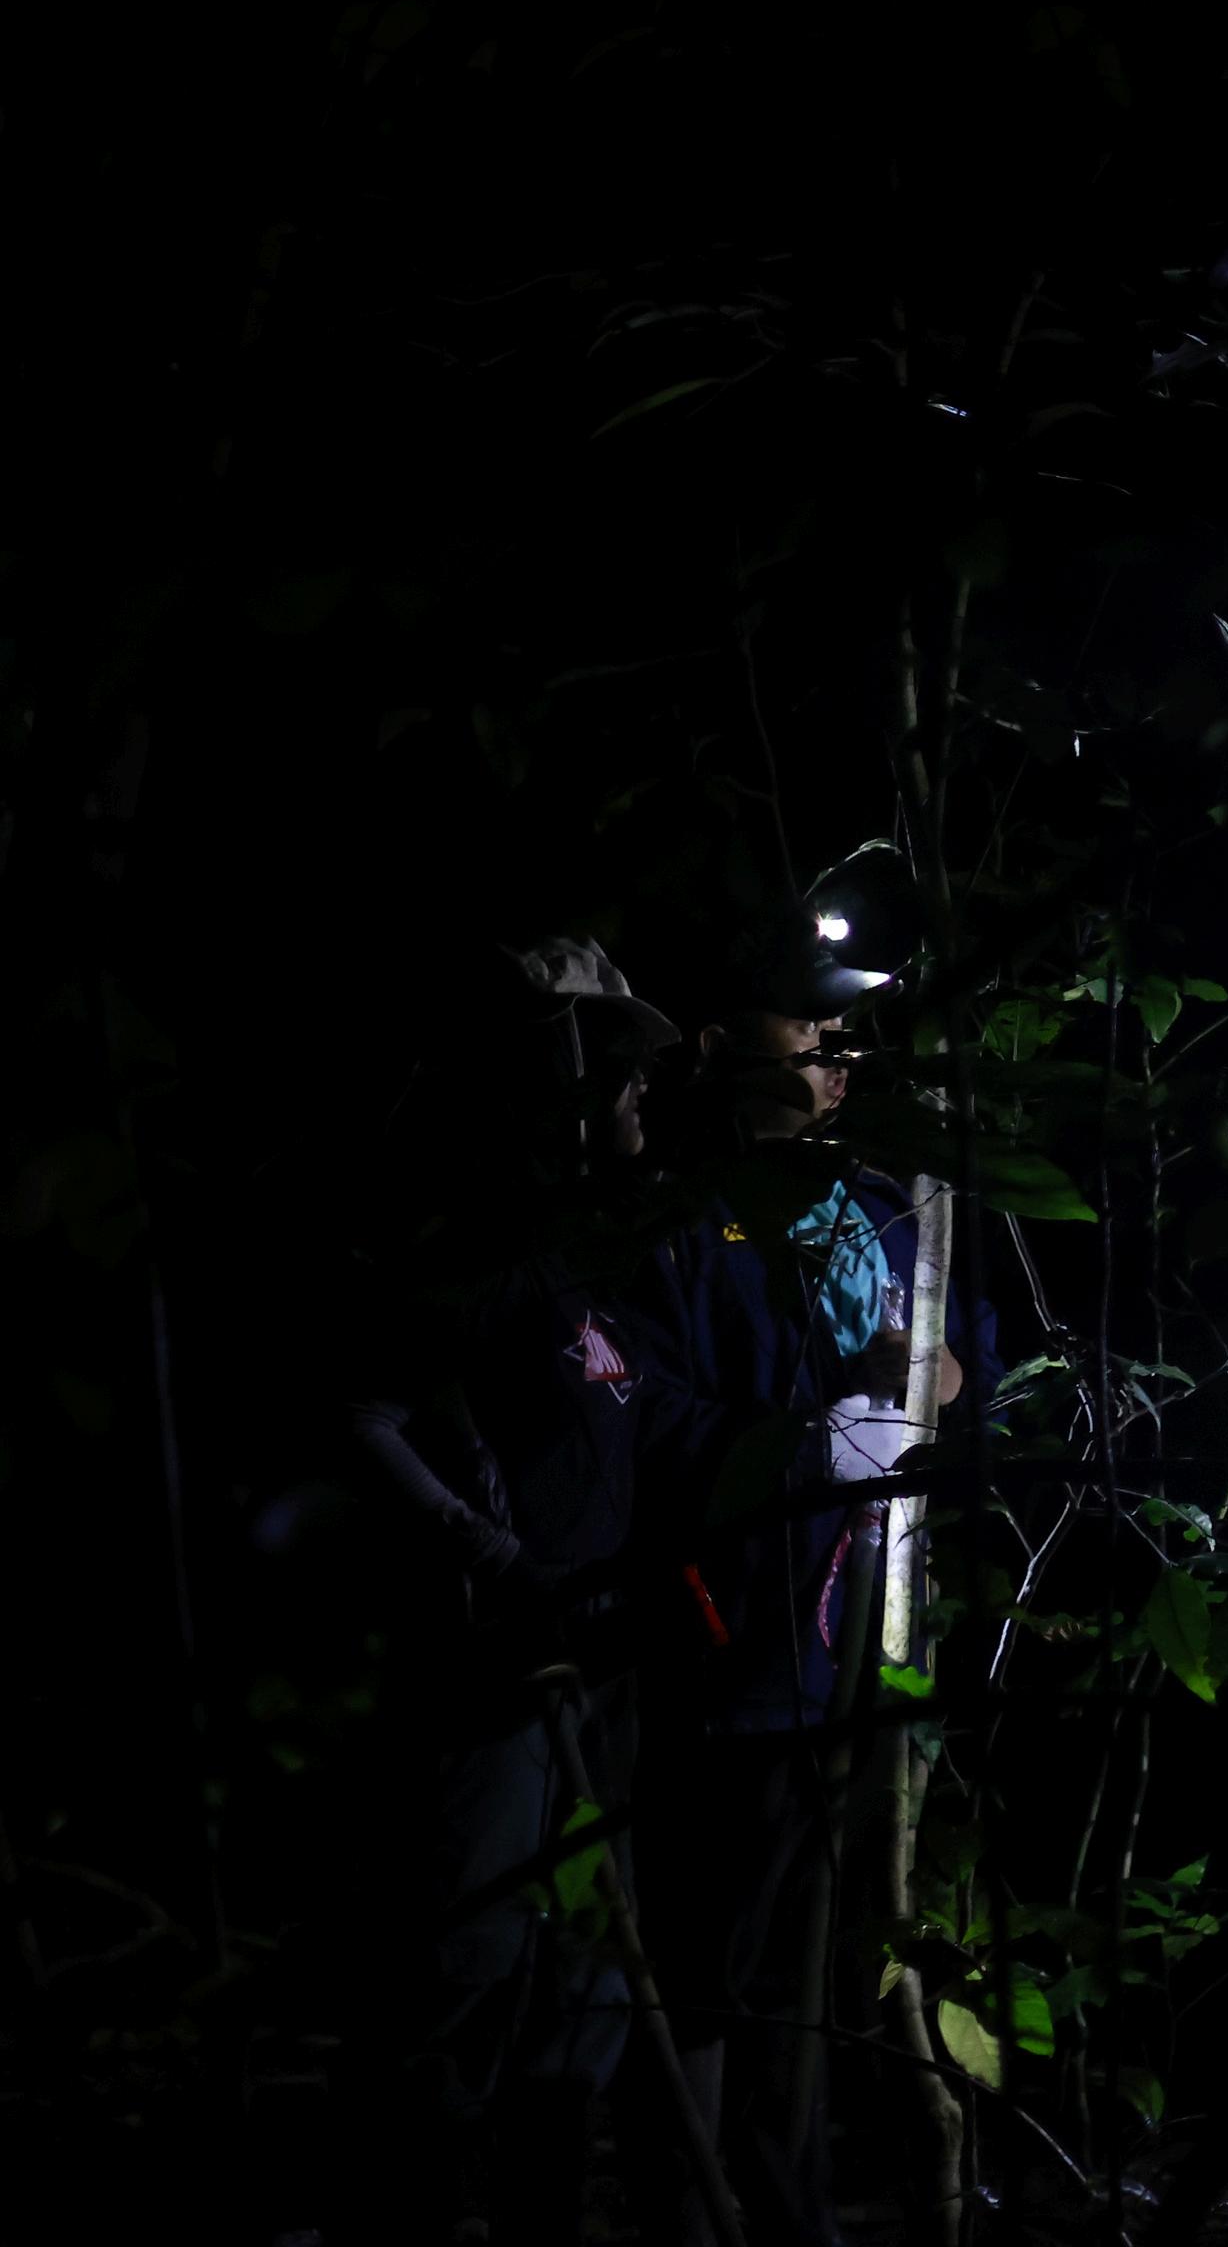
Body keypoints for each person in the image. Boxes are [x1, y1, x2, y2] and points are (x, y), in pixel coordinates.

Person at [327, 938, 723, 2247]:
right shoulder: (476, 1246)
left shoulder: (597, 1258)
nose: (639, 1094)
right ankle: (410, 2209)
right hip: (495, 1673)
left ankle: (539, 2209)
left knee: (591, 1967)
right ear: (556, 1077)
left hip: (599, 1664)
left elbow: (653, 1415)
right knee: (468, 1954)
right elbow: (365, 1415)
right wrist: (496, 1564)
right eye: (615, 1068)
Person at [630, 857, 981, 2247]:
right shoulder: (675, 1216)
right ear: (724, 1041)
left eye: (843, 1027)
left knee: (824, 1960)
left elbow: (961, 1363)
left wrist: (924, 1382)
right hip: (731, 1638)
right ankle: (696, 2208)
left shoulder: (885, 1204)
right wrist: (809, 1440)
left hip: (867, 1642)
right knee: (710, 1955)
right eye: (804, 1022)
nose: (834, 1048)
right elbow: (645, 1410)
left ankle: (795, 2211)